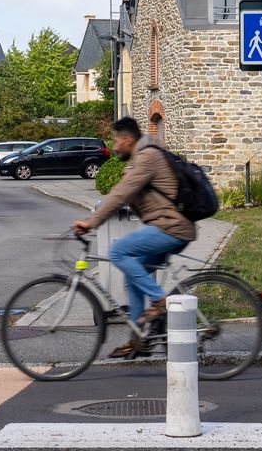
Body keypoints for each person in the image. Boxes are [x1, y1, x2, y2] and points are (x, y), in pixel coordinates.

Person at [72, 116, 196, 358]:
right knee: (133, 277)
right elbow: (126, 194)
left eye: (116, 140)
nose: (114, 146)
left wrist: (90, 222)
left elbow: (120, 194)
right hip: (167, 226)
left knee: (118, 251)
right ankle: (137, 339)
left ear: (128, 140)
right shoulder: (141, 157)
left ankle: (159, 300)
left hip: (171, 228)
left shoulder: (147, 157)